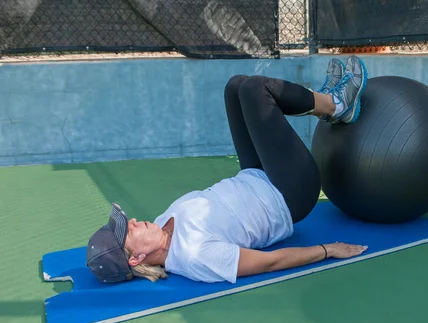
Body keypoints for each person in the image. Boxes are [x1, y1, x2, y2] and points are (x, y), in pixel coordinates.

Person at [85, 56, 369, 284]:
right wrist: (327, 250)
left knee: (236, 87)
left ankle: (322, 100)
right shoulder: (195, 257)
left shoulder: (160, 224)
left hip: (254, 176)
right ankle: (335, 105)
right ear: (137, 258)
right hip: (288, 195)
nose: (133, 220)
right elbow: (270, 262)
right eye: (129, 230)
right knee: (256, 89)